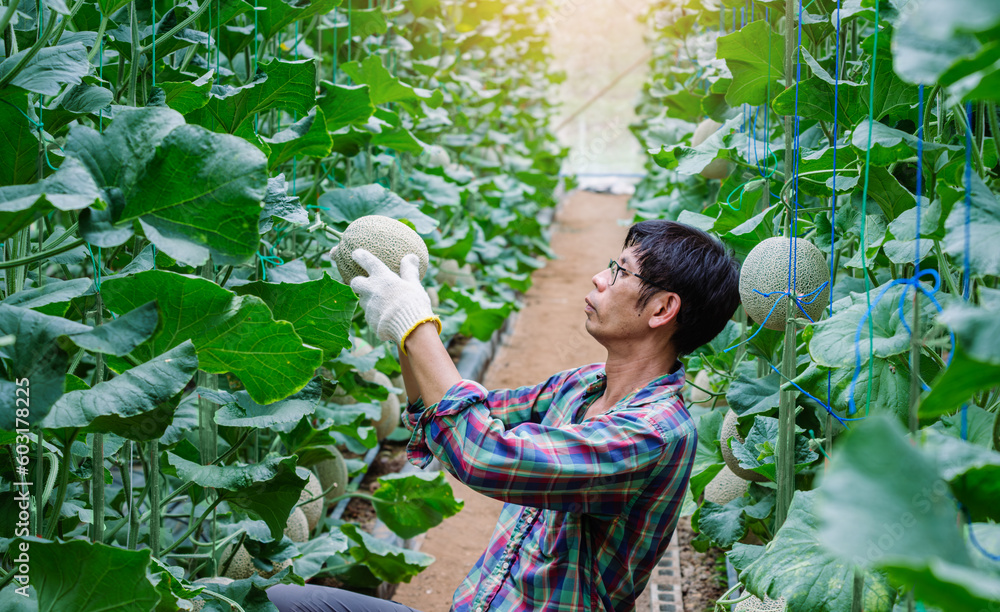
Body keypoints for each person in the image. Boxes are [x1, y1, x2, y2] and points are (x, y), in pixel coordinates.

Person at [267, 220, 741, 612]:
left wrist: (418, 324)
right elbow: (446, 415)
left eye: (619, 271)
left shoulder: (652, 434)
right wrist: (404, 328)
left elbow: (486, 454)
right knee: (278, 602)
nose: (600, 277)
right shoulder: (582, 385)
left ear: (662, 309)